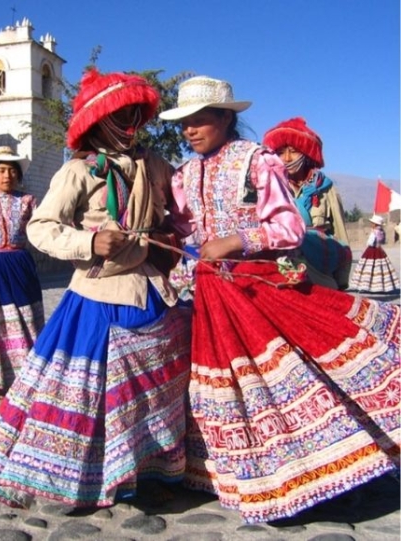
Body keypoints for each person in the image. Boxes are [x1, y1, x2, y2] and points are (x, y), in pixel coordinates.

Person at [159, 75, 400, 524]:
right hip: (212, 295)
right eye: (184, 124)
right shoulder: (184, 173)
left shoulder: (257, 161)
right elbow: (186, 229)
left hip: (259, 285)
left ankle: (328, 466)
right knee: (234, 384)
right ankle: (256, 476)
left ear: (226, 119)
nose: (190, 130)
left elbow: (290, 228)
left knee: (290, 376)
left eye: (200, 121)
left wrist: (236, 240)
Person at [0, 69, 191, 508]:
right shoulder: (77, 171)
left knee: (153, 384)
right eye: (120, 114)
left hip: (151, 288)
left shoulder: (155, 164)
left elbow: (182, 210)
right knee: (89, 389)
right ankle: (91, 476)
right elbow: (41, 228)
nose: (131, 122)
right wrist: (89, 241)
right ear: (99, 121)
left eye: (136, 113)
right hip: (99, 293)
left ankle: (149, 464)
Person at [0, 146, 44, 396]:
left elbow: (42, 228)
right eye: (1, 170)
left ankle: (30, 373)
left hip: (20, 266)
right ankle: (1, 377)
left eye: (12, 170)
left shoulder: (29, 200)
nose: (7, 175)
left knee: (27, 319)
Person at [263, 117, 352, 290]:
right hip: (284, 272)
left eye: (293, 151)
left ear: (306, 153)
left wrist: (342, 280)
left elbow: (341, 234)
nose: (287, 158)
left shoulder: (325, 189)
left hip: (322, 270)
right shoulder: (270, 188)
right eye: (281, 152)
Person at [350, 214, 400, 293]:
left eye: (372, 223)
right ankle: (380, 286)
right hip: (379, 250)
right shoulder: (381, 231)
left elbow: (370, 242)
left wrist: (368, 243)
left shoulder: (374, 232)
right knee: (380, 267)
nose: (371, 224)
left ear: (375, 224)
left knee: (368, 268)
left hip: (371, 250)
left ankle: (366, 286)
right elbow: (383, 241)